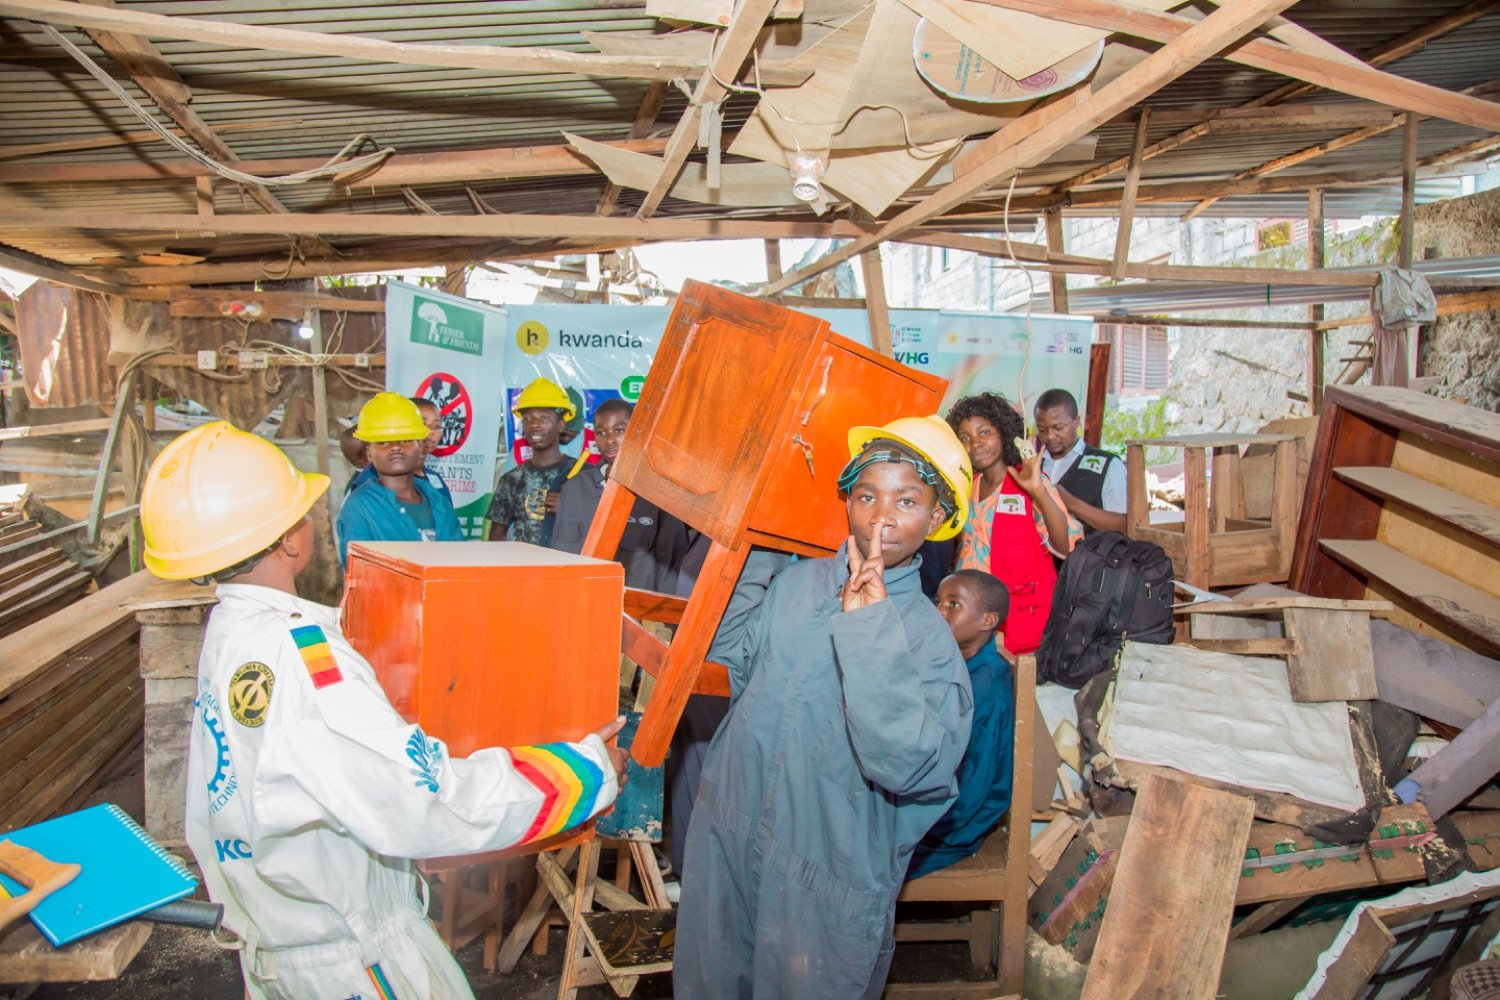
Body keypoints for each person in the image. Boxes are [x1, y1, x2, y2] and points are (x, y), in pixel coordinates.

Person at [138, 421, 626, 1000]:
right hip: (353, 962)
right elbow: (428, 803)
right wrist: (586, 770)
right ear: (292, 539)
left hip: (280, 945)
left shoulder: (232, 633)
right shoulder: (303, 659)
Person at [674, 415, 974, 1000]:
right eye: (866, 496)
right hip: (731, 832)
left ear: (937, 519)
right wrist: (759, 547)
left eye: (907, 500)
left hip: (824, 870)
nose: (881, 516)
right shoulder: (798, 585)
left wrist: (869, 629)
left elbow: (908, 764)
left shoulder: (927, 639)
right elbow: (731, 659)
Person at [948, 392, 1081, 656]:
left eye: (984, 433)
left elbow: (1067, 546)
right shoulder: (966, 488)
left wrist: (1039, 492)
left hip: (1020, 624)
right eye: (965, 438)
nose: (975, 444)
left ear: (1004, 433)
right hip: (970, 626)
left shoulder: (1029, 483)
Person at [908, 569, 1015, 879]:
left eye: (954, 604)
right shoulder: (957, 662)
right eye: (938, 601)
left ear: (987, 621)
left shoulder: (984, 687)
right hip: (934, 805)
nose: (940, 611)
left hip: (953, 827)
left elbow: (974, 788)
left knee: (848, 858)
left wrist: (909, 819)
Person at [551, 397, 685, 594]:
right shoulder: (576, 488)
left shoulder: (658, 493)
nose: (609, 439)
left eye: (619, 430)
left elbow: (671, 567)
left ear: (637, 431)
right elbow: (559, 553)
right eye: (601, 432)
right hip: (579, 602)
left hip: (634, 613)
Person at [336, 392, 464, 565]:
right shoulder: (359, 507)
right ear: (369, 454)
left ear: (420, 448)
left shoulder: (438, 502)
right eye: (383, 442)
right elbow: (361, 577)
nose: (395, 447)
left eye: (405, 440)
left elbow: (459, 562)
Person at [487, 377, 574, 546]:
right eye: (527, 419)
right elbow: (496, 538)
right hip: (523, 570)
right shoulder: (511, 479)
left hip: (569, 569)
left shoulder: (581, 474)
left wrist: (570, 510)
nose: (534, 424)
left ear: (561, 425)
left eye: (544, 418)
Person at [1034, 388, 1127, 537]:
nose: (1050, 436)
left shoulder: (1108, 465)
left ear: (1076, 422)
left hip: (1089, 558)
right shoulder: (1032, 467)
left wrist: (1072, 504)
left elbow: (1124, 525)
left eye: (1058, 428)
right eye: (1042, 430)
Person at [342, 396, 452, 504]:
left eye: (436, 426)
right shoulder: (368, 484)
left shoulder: (434, 479)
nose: (430, 431)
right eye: (422, 424)